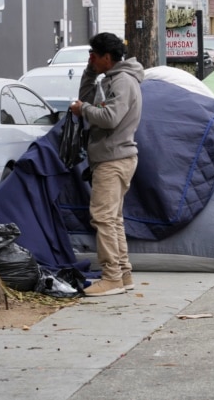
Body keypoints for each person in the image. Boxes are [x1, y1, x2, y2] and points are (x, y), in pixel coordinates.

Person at [68, 32, 144, 297]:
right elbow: (87, 99)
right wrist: (90, 73)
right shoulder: (111, 78)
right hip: (110, 158)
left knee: (102, 218)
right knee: (113, 220)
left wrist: (83, 111)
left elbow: (110, 117)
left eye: (94, 55)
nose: (91, 58)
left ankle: (111, 277)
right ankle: (123, 274)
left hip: (114, 159)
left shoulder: (122, 81)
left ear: (107, 58)